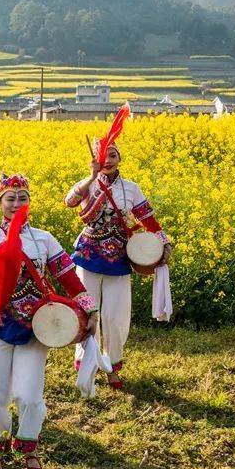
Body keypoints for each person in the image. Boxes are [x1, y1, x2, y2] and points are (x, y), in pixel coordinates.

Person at [0, 174, 98, 469]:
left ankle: (29, 446)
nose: (17, 203)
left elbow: (68, 277)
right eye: (10, 197)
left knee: (28, 393)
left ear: (29, 202)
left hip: (36, 326)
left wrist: (90, 309)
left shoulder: (43, 239)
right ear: (0, 202)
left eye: (22, 197)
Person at [65, 139, 171, 389]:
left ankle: (112, 366)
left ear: (119, 159)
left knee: (115, 316)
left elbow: (148, 219)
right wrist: (91, 179)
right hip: (89, 255)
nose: (108, 160)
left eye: (113, 155)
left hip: (120, 258)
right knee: (87, 312)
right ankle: (86, 363)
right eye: (104, 156)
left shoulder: (131, 188)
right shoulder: (88, 184)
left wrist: (164, 243)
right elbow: (70, 202)